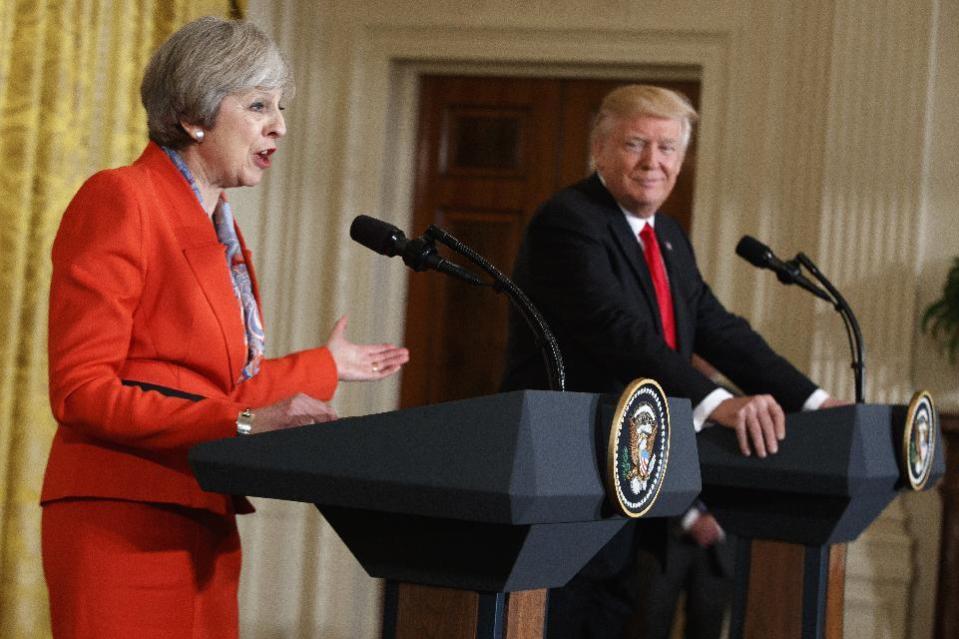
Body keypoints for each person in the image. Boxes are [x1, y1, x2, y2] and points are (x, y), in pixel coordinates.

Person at [40, 16, 409, 639]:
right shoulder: (121, 199)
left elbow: (217, 385)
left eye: (281, 106)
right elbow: (81, 391)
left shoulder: (223, 228)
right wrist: (241, 424)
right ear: (193, 114)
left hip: (203, 519)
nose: (279, 126)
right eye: (259, 105)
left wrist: (325, 366)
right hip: (123, 521)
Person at [501, 84, 844, 639]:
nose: (652, 162)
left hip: (634, 474)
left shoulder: (667, 238)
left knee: (614, 618)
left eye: (667, 149)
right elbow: (621, 334)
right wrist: (717, 403)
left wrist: (817, 403)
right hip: (566, 475)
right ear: (600, 149)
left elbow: (718, 328)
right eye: (636, 144)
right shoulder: (569, 222)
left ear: (682, 160)